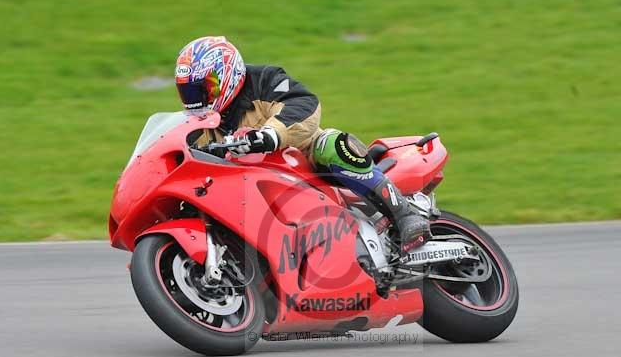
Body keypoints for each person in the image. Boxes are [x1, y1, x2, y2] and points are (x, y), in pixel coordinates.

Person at [175, 36, 431, 251]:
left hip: (301, 159)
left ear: (227, 73)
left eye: (206, 88)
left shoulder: (263, 79)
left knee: (333, 145)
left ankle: (404, 215)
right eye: (189, 92)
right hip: (249, 186)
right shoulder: (198, 126)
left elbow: (304, 103)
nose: (198, 99)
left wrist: (269, 135)